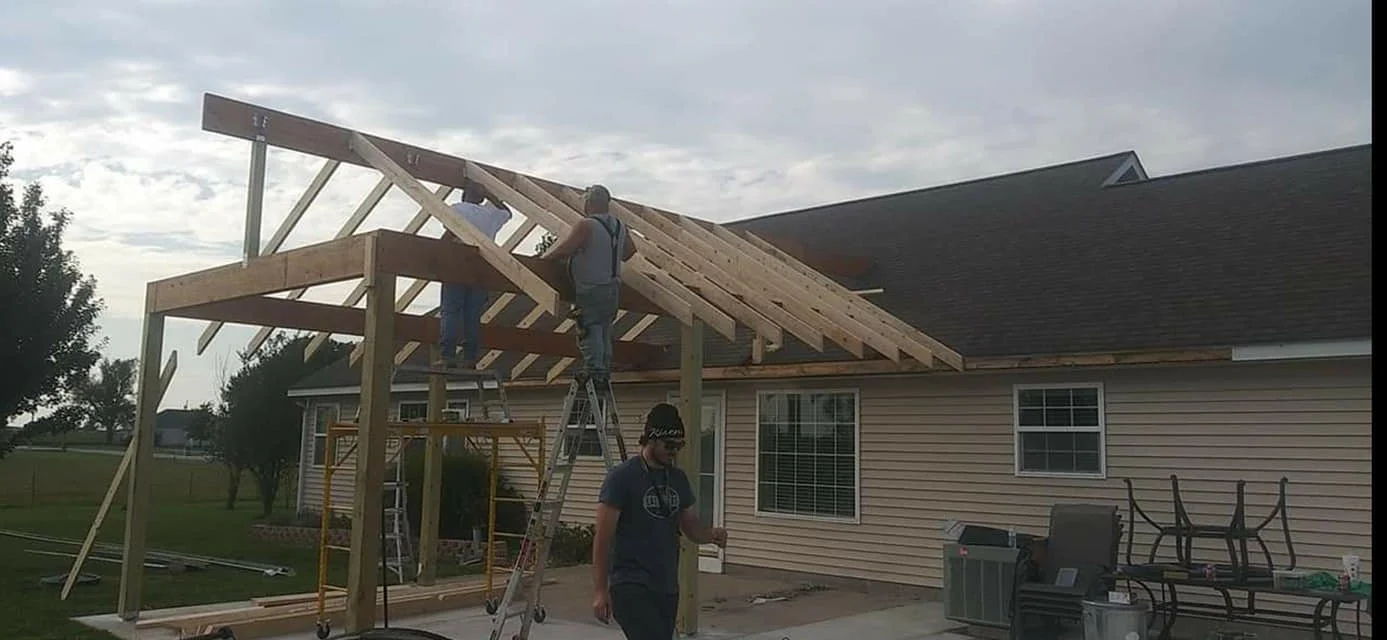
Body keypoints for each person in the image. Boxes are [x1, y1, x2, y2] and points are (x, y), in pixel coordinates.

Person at [591, 403, 728, 640]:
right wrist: (600, 590)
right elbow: (603, 538)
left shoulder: (677, 479)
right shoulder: (622, 478)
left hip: (665, 584)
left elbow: (690, 526)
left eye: (679, 446)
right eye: (669, 445)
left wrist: (711, 535)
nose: (674, 451)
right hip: (630, 582)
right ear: (651, 439)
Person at [540, 184, 636, 382]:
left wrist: (544, 261)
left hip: (591, 287)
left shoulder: (587, 225)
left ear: (589, 202)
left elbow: (567, 249)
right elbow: (630, 251)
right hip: (612, 289)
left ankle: (595, 370)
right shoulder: (619, 226)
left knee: (590, 329)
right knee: (603, 331)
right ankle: (603, 369)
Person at [436, 180, 512, 369]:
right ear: (480, 197)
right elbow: (507, 212)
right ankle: (470, 358)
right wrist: (488, 193)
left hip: (457, 267)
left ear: (464, 195)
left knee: (451, 311)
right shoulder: (490, 214)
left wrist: (434, 252)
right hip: (481, 269)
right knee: (472, 315)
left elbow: (449, 233)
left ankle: (448, 356)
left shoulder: (456, 209)